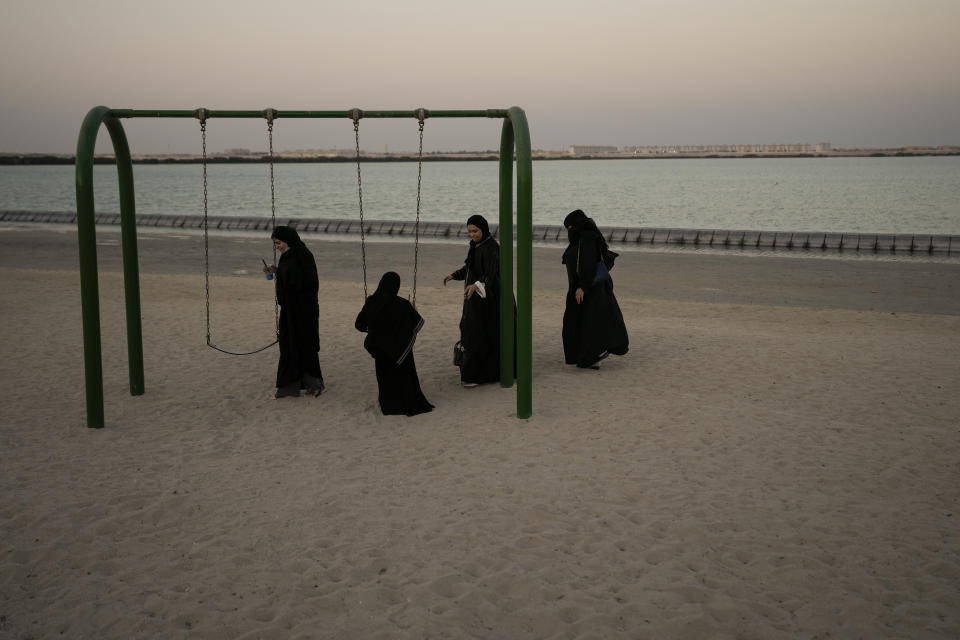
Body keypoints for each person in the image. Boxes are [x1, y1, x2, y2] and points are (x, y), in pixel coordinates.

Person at [355, 272, 434, 416]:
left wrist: (373, 330)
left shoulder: (371, 301)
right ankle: (405, 402)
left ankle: (389, 406)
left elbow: (359, 325)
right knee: (404, 375)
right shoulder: (403, 304)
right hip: (401, 350)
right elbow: (417, 324)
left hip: (380, 350)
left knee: (384, 377)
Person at [561, 209, 629, 368]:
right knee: (586, 322)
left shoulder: (588, 239)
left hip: (591, 288)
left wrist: (582, 287)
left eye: (570, 228)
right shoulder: (583, 238)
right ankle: (588, 357)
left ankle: (594, 357)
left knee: (590, 323)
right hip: (587, 288)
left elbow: (588, 264)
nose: (569, 232)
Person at [443, 214, 505, 387]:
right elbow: (470, 268)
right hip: (473, 299)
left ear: (483, 229)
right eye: (470, 231)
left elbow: (491, 273)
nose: (472, 234)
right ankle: (471, 374)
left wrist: (476, 285)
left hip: (487, 301)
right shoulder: (475, 246)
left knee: (479, 335)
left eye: (475, 231)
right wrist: (454, 275)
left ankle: (477, 376)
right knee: (469, 332)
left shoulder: (492, 247)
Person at [266, 225, 325, 398]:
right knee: (290, 346)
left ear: (287, 240)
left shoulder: (301, 255)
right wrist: (277, 272)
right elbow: (291, 278)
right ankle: (291, 386)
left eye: (278, 243)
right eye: (275, 244)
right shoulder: (292, 254)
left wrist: (280, 273)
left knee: (305, 345)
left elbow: (302, 283)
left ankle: (313, 385)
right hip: (292, 310)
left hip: (303, 311)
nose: (277, 246)